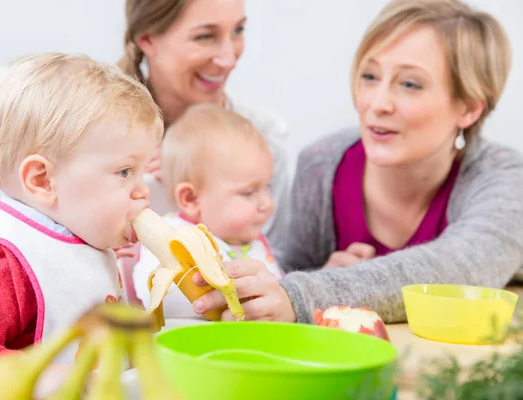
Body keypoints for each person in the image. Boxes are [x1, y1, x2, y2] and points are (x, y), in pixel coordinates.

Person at [190, 0, 523, 325]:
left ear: (469, 107)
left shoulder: (504, 179)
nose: (377, 103)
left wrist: (306, 294)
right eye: (370, 76)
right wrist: (314, 279)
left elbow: (462, 270)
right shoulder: (320, 166)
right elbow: (283, 280)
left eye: (409, 84)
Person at [0, 52, 163, 393]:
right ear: (43, 181)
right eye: (125, 172)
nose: (143, 191)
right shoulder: (4, 263)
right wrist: (40, 375)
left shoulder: (87, 242)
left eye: (142, 172)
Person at [115, 0, 291, 261]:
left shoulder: (265, 135)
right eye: (205, 36)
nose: (229, 59)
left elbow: (276, 261)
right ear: (148, 39)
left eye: (238, 30)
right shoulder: (97, 140)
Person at [133, 104, 283, 319]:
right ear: (191, 199)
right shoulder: (174, 238)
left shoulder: (252, 239)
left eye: (268, 186)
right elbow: (158, 295)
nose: (267, 203)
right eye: (249, 192)